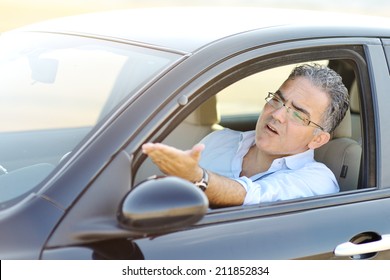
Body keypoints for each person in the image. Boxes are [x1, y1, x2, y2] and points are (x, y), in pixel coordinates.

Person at [142, 63, 350, 208]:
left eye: (297, 114)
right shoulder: (220, 140)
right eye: (277, 100)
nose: (277, 114)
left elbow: (255, 196)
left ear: (317, 139)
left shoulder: (318, 181)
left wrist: (197, 178)